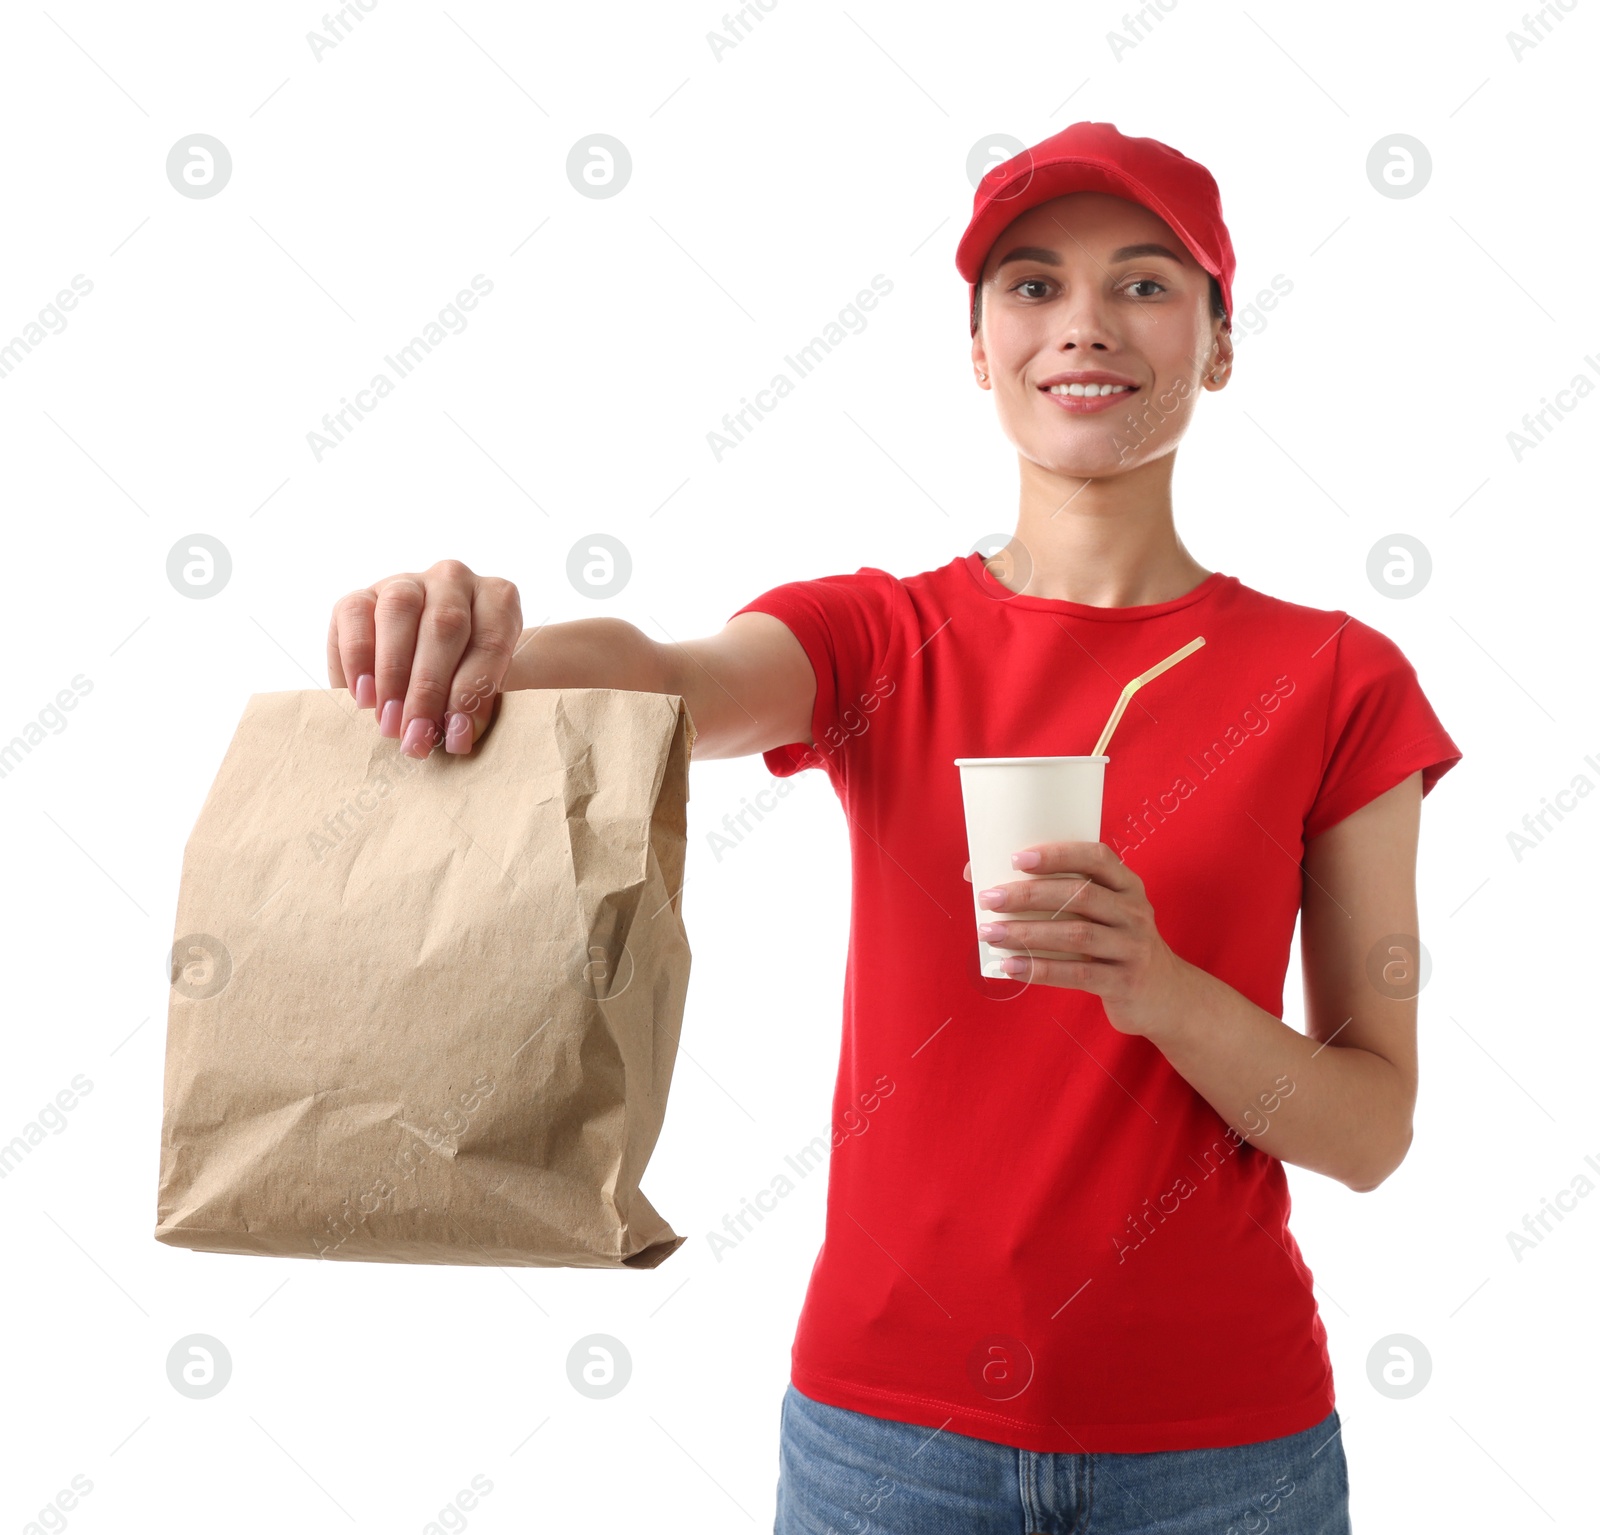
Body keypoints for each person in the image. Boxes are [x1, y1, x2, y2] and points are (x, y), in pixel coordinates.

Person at [326, 121, 1461, 1534]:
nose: (1085, 324)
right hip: (887, 1448)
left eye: (1148, 284)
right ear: (979, 350)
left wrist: (1158, 990)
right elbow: (672, 678)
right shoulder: (882, 639)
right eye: (1033, 286)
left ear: (1221, 344)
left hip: (1222, 1456)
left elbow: (1370, 1132)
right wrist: (478, 634)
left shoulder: (1336, 679)